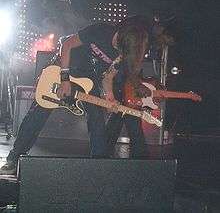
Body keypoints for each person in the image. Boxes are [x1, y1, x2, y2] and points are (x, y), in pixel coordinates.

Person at [0, 16, 151, 175]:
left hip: (88, 82)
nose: (116, 48)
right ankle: (14, 158)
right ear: (121, 33)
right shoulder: (100, 30)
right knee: (37, 114)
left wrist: (110, 98)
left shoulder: (122, 55)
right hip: (65, 71)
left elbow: (108, 77)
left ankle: (98, 166)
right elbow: (67, 45)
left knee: (97, 120)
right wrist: (65, 79)